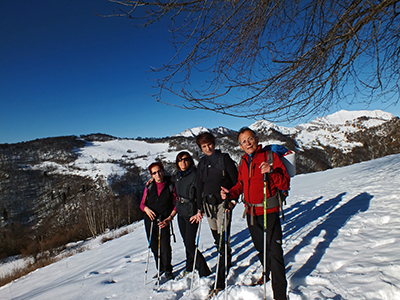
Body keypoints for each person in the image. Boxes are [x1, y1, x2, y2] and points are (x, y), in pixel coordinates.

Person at [221, 127, 289, 300]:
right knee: (261, 249)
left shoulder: (269, 157)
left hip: (269, 211)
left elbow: (284, 184)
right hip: (251, 213)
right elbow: (241, 185)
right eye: (244, 141)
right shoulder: (243, 161)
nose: (248, 143)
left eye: (250, 139)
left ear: (257, 139)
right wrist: (230, 194)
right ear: (240, 146)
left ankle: (280, 295)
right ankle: (267, 273)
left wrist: (271, 171)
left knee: (275, 253)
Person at [192, 132, 238, 292]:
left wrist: (232, 199)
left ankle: (221, 275)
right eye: (204, 146)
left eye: (209, 144)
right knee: (216, 236)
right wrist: (199, 208)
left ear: (214, 143)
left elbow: (236, 180)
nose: (208, 148)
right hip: (208, 205)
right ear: (201, 148)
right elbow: (199, 186)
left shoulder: (224, 159)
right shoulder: (202, 164)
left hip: (222, 204)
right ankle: (226, 255)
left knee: (222, 238)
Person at [172, 151, 212, 278]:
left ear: (190, 161)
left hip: (192, 213)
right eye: (180, 160)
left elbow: (202, 194)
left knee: (190, 244)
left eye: (185, 159)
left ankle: (204, 270)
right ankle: (190, 266)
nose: (183, 162)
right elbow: (167, 180)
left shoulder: (195, 175)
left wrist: (200, 211)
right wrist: (153, 179)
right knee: (186, 242)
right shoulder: (178, 176)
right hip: (181, 212)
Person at [140, 161, 177, 281]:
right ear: (151, 175)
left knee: (165, 245)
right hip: (150, 220)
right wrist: (146, 209)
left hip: (164, 219)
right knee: (154, 245)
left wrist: (170, 218)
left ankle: (168, 269)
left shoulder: (171, 185)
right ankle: (160, 268)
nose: (158, 174)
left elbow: (177, 203)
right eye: (154, 173)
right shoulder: (149, 186)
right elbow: (142, 203)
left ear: (163, 171)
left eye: (159, 171)